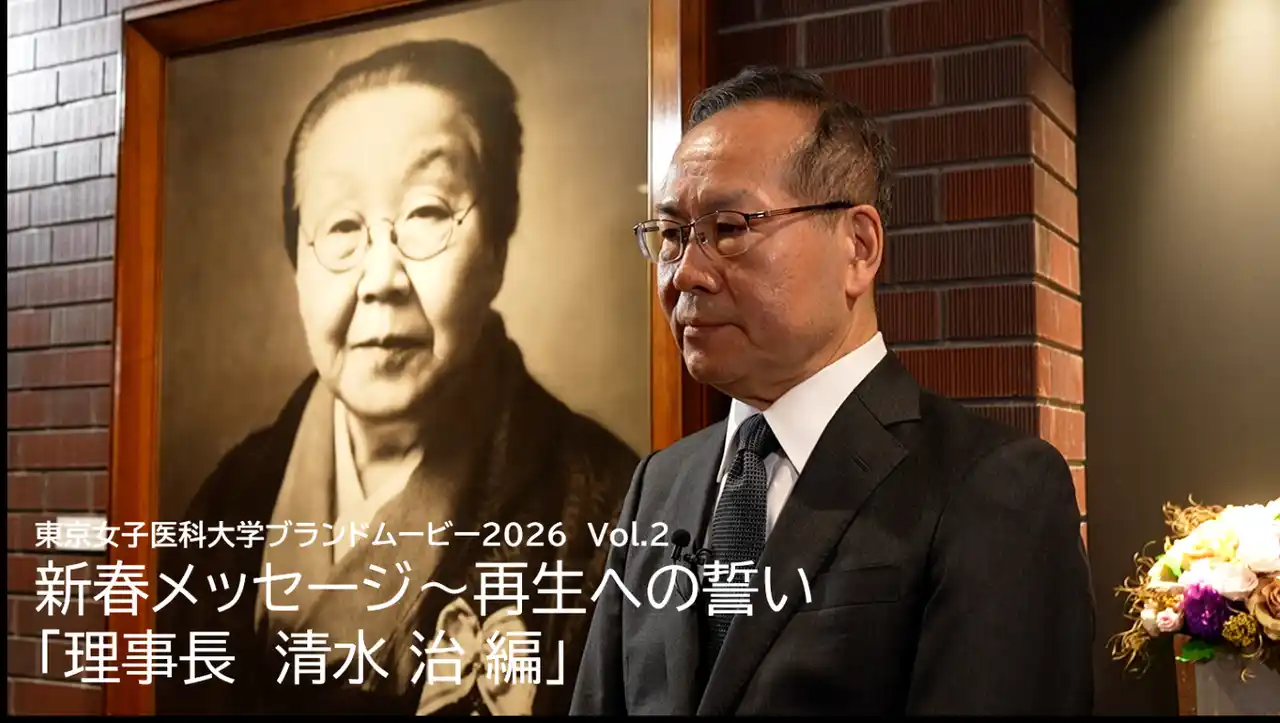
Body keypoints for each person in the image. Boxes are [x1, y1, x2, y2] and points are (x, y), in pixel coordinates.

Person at [569, 66, 1095, 716]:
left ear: (859, 246)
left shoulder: (991, 486)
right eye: (673, 235)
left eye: (729, 227)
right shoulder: (660, 483)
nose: (687, 274)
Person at [157, 39, 639, 716]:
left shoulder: (604, 508)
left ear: (497, 246)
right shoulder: (230, 496)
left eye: (427, 212)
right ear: (297, 264)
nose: (380, 278)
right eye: (341, 226)